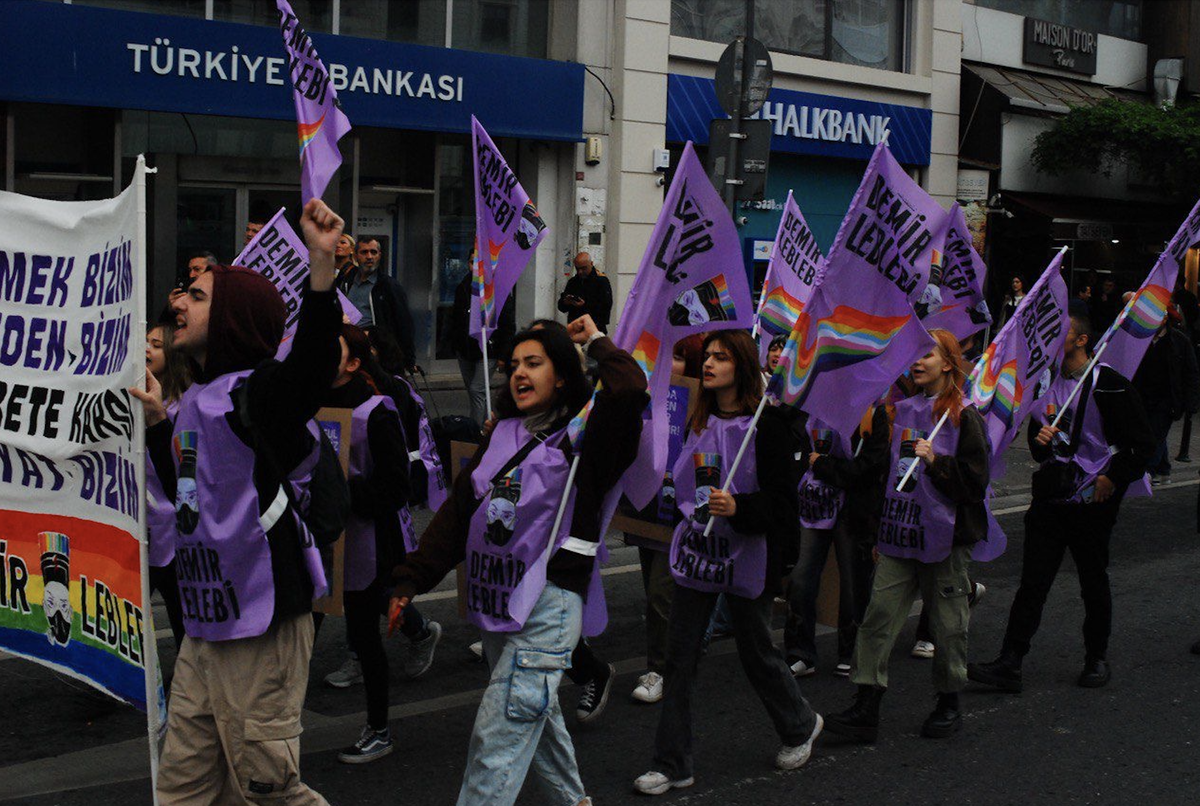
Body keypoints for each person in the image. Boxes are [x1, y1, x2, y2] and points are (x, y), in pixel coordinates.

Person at [131, 198, 344, 804]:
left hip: (262, 621)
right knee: (184, 791)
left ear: (230, 319)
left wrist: (321, 270)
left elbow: (308, 369)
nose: (176, 302)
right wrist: (154, 427)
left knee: (268, 791)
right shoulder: (191, 404)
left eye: (196, 297)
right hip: (206, 628)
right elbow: (189, 507)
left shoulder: (262, 394)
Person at [388, 314, 647, 806]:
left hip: (547, 608)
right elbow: (459, 512)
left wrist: (595, 342)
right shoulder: (503, 430)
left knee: (497, 740)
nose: (519, 373)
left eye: (535, 362)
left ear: (563, 376)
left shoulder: (587, 441)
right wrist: (410, 580)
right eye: (513, 365)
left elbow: (631, 388)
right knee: (537, 724)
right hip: (496, 606)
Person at [635, 329, 822, 797]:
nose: (711, 364)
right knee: (680, 656)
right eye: (708, 357)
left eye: (721, 357)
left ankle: (799, 724)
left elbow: (784, 506)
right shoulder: (698, 418)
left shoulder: (771, 425)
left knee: (755, 651)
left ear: (742, 364)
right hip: (700, 554)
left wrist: (741, 510)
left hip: (750, 557)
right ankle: (672, 762)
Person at [969, 314, 1154, 693]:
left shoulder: (1110, 386)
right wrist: (1040, 441)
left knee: (1092, 579)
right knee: (1033, 582)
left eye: (1063, 333)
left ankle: (1096, 658)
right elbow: (1042, 453)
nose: (1055, 339)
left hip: (1092, 502)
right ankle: (1010, 661)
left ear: (1083, 340)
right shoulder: (1046, 387)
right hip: (1052, 500)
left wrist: (1112, 478)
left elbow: (1143, 446)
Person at [824, 330, 989, 742]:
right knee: (878, 616)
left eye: (927, 355)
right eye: (914, 355)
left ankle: (948, 701)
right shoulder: (903, 411)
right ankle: (866, 705)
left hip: (945, 542)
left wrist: (937, 462)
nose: (917, 362)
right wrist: (882, 530)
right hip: (900, 536)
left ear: (948, 364)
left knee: (948, 624)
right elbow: (890, 478)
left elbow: (974, 484)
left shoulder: (965, 416)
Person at [323, 324, 441, 764]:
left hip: (369, 541)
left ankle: (379, 729)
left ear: (353, 363)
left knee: (362, 635)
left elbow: (396, 487)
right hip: (322, 537)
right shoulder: (311, 405)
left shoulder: (378, 411)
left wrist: (342, 495)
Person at [783, 402, 889, 679]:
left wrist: (824, 464)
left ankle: (851, 651)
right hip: (812, 507)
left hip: (853, 511)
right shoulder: (808, 407)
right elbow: (797, 454)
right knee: (801, 578)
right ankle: (799, 651)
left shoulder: (871, 412)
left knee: (853, 581)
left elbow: (868, 467)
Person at [625, 334, 704, 705]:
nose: (666, 365)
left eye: (676, 356)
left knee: (661, 592)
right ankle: (680, 653)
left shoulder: (706, 406)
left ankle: (661, 668)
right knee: (655, 592)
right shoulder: (645, 398)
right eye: (662, 356)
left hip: (681, 514)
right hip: (646, 507)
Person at [144, 317, 192, 652]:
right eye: (145, 342)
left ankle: (196, 685)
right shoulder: (134, 398)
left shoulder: (183, 408)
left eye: (156, 345)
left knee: (182, 618)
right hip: (138, 526)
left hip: (172, 532)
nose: (146, 348)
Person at [1132, 310, 1200, 483]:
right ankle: (1164, 469)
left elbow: (1191, 372)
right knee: (1154, 432)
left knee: (1156, 433)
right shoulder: (1143, 340)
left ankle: (1150, 469)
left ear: (1164, 319)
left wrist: (1190, 402)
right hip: (1145, 395)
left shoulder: (1179, 341)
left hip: (1168, 398)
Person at [338, 237, 417, 372]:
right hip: (350, 348)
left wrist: (408, 360)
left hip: (378, 353)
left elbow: (404, 323)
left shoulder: (388, 285)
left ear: (379, 255)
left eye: (373, 252)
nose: (369, 257)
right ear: (356, 255)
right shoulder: (346, 282)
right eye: (364, 252)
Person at [448, 271, 516, 425]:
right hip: (466, 349)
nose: (475, 266)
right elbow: (456, 318)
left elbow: (508, 325)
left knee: (476, 389)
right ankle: (489, 425)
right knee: (477, 392)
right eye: (472, 262)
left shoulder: (499, 290)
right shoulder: (464, 287)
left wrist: (503, 355)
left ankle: (476, 431)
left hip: (489, 350)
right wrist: (454, 343)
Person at [557, 252, 613, 332]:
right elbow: (561, 307)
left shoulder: (601, 281)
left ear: (591, 264)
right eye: (577, 268)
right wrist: (566, 302)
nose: (580, 272)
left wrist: (585, 305)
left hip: (595, 328)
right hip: (575, 327)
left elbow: (606, 307)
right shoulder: (573, 282)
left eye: (583, 268)